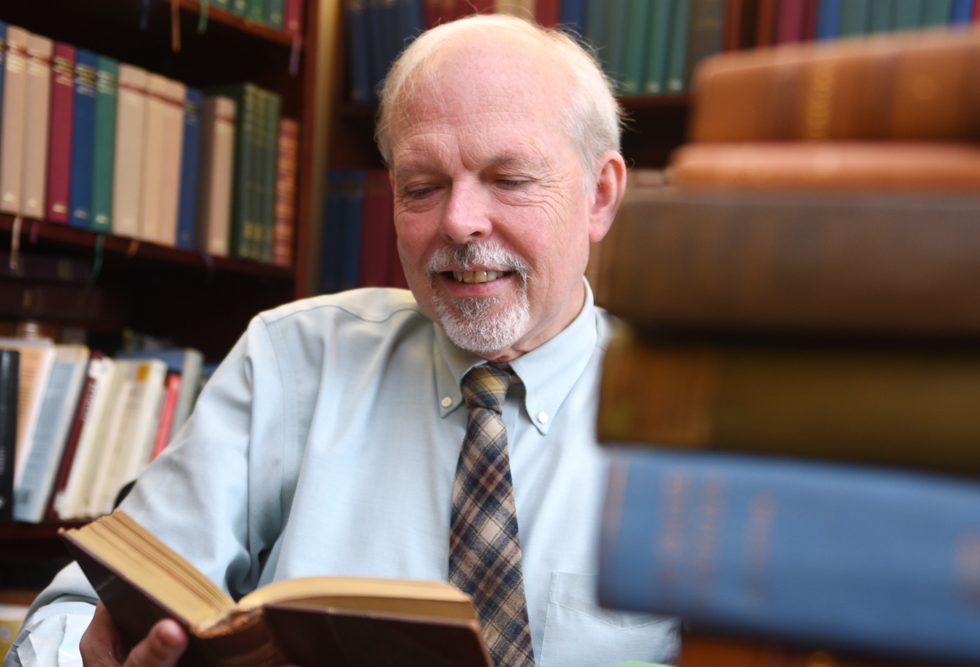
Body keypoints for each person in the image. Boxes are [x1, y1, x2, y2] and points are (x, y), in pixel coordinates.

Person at [8, 13, 679, 667]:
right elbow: (80, 603)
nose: (460, 221)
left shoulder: (696, 413)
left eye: (509, 180)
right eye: (422, 186)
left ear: (600, 195)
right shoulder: (290, 360)